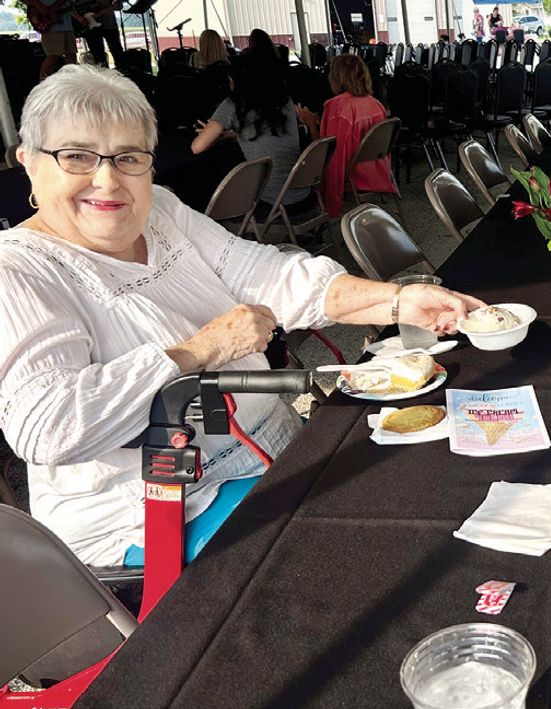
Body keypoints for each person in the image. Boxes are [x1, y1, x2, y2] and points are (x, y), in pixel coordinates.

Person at [1, 65, 484, 567]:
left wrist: (399, 300)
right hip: (162, 510)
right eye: (76, 156)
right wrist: (199, 351)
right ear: (30, 163)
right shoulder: (17, 269)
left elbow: (267, 275)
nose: (107, 179)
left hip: (275, 451)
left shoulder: (159, 211)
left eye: (128, 157)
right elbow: (48, 427)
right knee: (350, 557)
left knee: (421, 489)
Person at [192, 54, 309, 217]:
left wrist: (211, 133)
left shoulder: (233, 105)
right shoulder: (284, 100)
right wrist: (231, 134)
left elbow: (197, 147)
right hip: (304, 195)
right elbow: (266, 131)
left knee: (212, 170)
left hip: (270, 202)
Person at [295, 54, 398, 218]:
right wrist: (321, 123)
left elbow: (330, 156)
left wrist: (311, 126)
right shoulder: (375, 104)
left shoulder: (337, 108)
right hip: (378, 174)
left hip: (353, 180)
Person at [76, 0, 125, 69]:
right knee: (98, 54)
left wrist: (115, 5)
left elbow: (119, 6)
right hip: (91, 26)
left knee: (116, 50)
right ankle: (103, 73)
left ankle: (122, 70)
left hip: (109, 24)